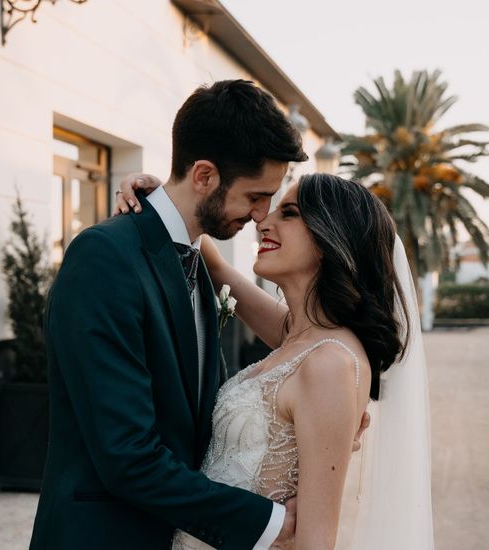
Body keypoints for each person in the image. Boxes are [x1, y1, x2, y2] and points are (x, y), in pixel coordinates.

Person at [28, 79, 371, 550]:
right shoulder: (105, 257)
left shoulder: (198, 264)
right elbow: (127, 455)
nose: (260, 216)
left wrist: (321, 429)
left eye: (274, 202)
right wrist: (270, 523)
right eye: (255, 196)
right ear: (205, 176)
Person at [115, 172, 435, 549]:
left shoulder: (329, 362)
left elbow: (315, 541)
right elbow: (218, 270)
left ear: (331, 237)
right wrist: (165, 200)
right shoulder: (298, 336)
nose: (262, 221)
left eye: (289, 212)